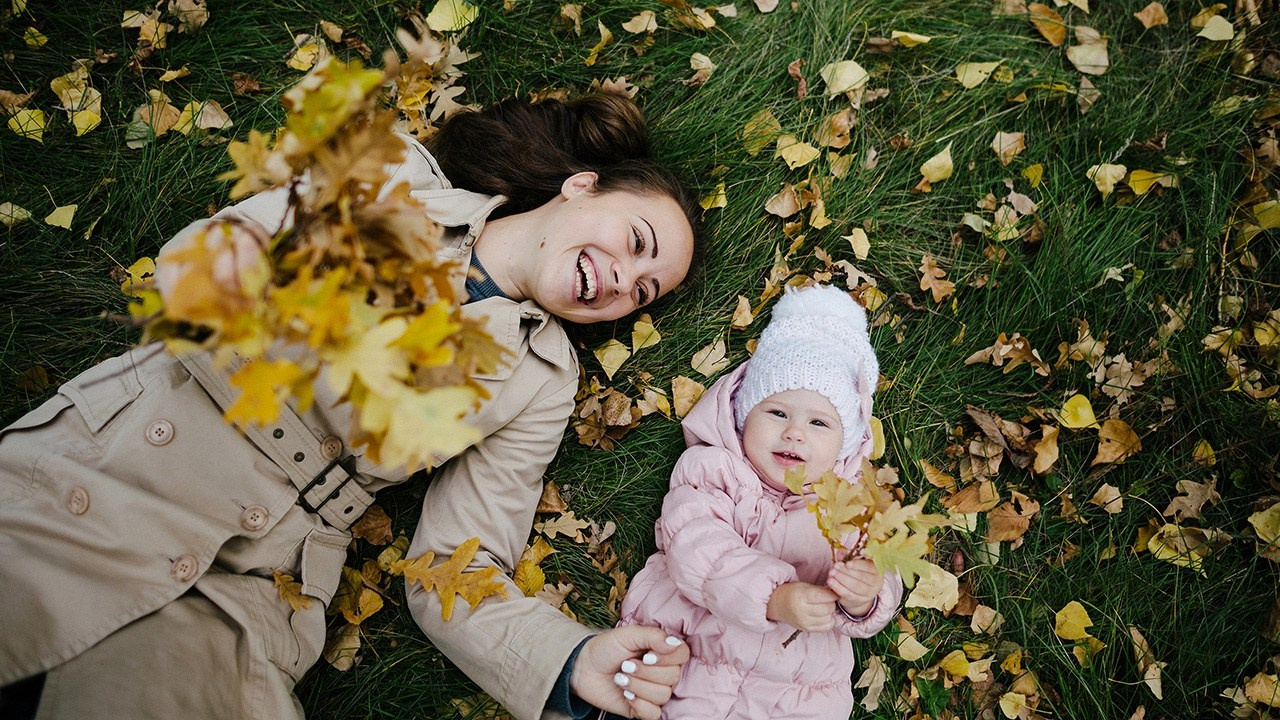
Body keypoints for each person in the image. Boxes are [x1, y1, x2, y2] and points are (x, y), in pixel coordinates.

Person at [0, 93, 700, 720]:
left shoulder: (543, 381)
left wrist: (569, 661)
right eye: (637, 243)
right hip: (125, 463)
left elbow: (460, 560)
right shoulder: (397, 178)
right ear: (582, 187)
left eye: (643, 291)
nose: (623, 279)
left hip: (253, 580)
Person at [617, 284, 904, 719]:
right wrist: (773, 597)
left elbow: (872, 575)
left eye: (819, 423)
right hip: (689, 654)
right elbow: (698, 548)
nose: (794, 433)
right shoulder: (712, 470)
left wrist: (864, 595)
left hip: (797, 687)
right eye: (777, 413)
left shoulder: (849, 506)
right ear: (742, 415)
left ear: (844, 447)